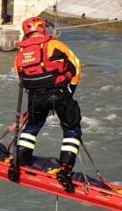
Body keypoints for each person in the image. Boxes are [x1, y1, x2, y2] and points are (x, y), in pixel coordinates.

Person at [9, 17, 82, 192]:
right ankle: (65, 169)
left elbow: (22, 78)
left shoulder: (20, 55)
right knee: (72, 129)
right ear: (42, 29)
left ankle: (19, 161)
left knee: (32, 127)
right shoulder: (54, 45)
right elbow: (76, 67)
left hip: (35, 98)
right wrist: (70, 90)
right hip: (60, 94)